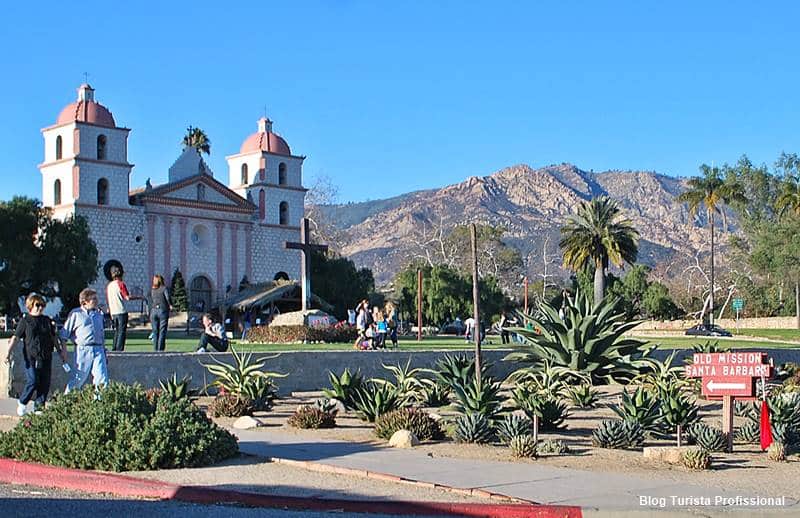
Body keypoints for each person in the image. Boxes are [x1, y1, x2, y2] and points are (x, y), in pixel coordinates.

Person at [5, 294, 68, 415]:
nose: (40, 308)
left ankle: (39, 407)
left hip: (46, 355)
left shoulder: (47, 320)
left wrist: (60, 351)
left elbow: (54, 337)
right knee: (33, 380)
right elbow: (15, 338)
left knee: (44, 382)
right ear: (30, 306)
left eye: (42, 305)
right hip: (31, 356)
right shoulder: (25, 321)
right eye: (37, 305)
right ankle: (23, 402)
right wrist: (8, 353)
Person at [61, 289, 108, 393]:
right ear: (85, 301)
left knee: (102, 378)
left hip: (98, 349)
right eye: (93, 299)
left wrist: (104, 350)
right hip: (83, 349)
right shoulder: (76, 314)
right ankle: (67, 400)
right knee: (78, 378)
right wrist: (63, 350)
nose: (96, 301)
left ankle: (100, 403)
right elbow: (64, 334)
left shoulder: (99, 315)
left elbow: (101, 333)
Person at [106, 265, 139, 352]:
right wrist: (139, 297)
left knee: (117, 331)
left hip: (113, 312)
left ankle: (114, 348)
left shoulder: (109, 286)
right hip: (121, 311)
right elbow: (127, 297)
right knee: (121, 332)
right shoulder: (120, 284)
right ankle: (119, 349)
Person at [146, 275, 172, 351]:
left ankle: (155, 348)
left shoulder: (151, 290)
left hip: (153, 311)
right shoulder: (164, 289)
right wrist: (170, 305)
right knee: (162, 331)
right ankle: (160, 349)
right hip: (162, 310)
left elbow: (149, 300)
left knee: (155, 331)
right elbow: (167, 298)